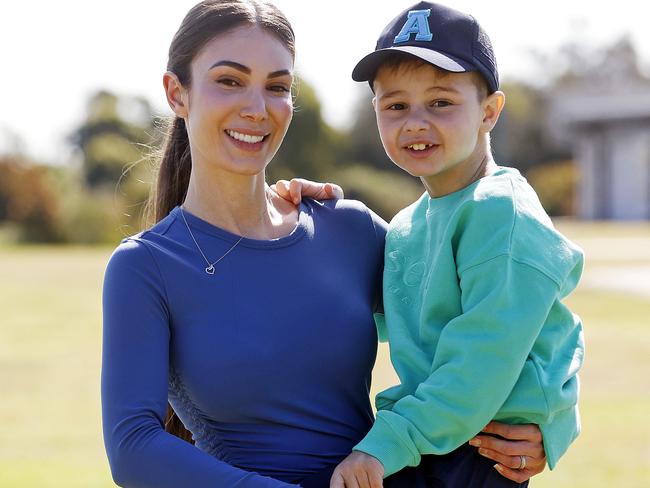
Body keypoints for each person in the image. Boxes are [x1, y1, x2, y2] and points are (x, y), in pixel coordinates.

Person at [101, 1, 549, 487]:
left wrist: (541, 425)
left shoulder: (348, 229)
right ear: (177, 93)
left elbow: (510, 313)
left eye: (277, 87)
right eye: (230, 80)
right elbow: (133, 448)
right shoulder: (146, 266)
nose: (257, 108)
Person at [278, 3, 584, 488]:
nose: (415, 122)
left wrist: (384, 447)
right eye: (395, 105)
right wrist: (315, 222)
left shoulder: (500, 212)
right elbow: (386, 317)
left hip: (477, 447)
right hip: (434, 434)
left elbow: (484, 358)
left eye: (440, 102)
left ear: (489, 111)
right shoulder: (409, 224)